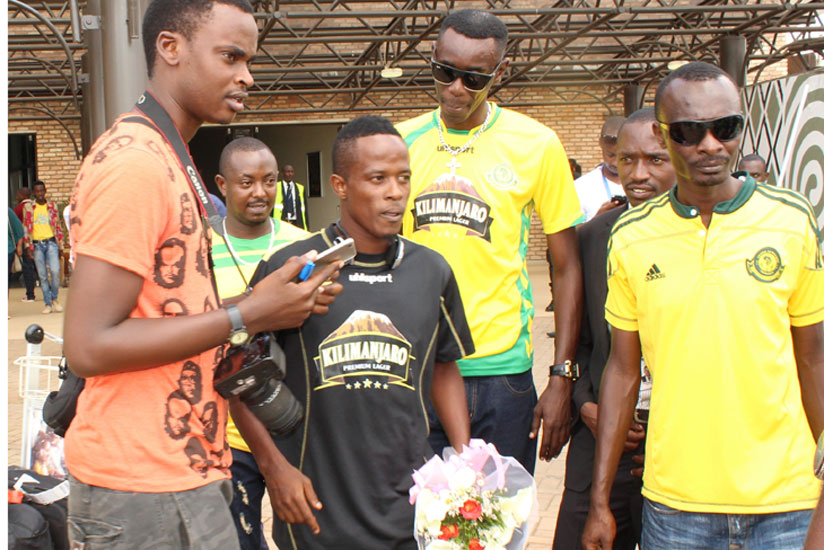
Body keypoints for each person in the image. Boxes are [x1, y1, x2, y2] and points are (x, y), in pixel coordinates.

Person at [62, 1, 342, 548]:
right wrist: (249, 310)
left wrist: (263, 301)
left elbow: (169, 308)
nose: (247, 76)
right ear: (171, 48)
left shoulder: (169, 155)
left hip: (186, 468)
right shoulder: (134, 162)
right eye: (231, 57)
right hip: (140, 485)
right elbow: (88, 345)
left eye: (249, 60)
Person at [582, 62, 824, 550]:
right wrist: (600, 500)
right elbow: (623, 372)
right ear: (662, 132)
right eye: (690, 132)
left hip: (786, 501)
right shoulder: (631, 237)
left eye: (726, 128)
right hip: (676, 507)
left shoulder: (791, 221)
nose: (711, 145)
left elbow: (813, 356)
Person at [239, 115, 473, 550]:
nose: (395, 192)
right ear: (340, 185)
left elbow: (444, 367)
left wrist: (464, 458)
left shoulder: (431, 271)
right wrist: (275, 469)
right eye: (378, 178)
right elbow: (239, 381)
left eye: (403, 178)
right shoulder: (294, 271)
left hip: (412, 510)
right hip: (316, 513)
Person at [398, 8, 583, 473]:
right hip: (418, 367)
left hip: (502, 374)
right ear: (433, 58)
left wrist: (561, 376)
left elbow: (566, 267)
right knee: (420, 525)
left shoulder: (537, 144)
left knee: (497, 525)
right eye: (445, 73)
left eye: (474, 78)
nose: (456, 89)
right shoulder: (401, 142)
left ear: (501, 73)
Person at [553, 108, 675, 550]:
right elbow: (582, 340)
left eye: (655, 159)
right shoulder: (593, 238)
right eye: (626, 161)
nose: (638, 175)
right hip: (604, 438)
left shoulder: (705, 237)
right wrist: (586, 403)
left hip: (675, 444)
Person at [209, 136, 310, 550]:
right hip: (225, 440)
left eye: (268, 181)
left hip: (294, 429)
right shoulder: (198, 249)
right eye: (246, 182)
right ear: (222, 185)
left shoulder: (304, 244)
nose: (259, 192)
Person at [22, 180, 64, 313]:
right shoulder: (28, 208)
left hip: (51, 242)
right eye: (37, 191)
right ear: (34, 193)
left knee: (55, 271)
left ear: (45, 191)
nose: (40, 193)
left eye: (42, 191)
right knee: (43, 276)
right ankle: (48, 303)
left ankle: (55, 298)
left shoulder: (52, 206)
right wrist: (28, 246)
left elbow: (58, 226)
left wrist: (61, 245)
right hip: (37, 245)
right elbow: (26, 227)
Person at [574, 117, 627, 221]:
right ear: (601, 145)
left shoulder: (642, 182)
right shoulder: (581, 187)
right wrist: (598, 220)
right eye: (610, 155)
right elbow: (574, 235)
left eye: (622, 156)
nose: (615, 163)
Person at [13, 187, 38, 302]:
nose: (16, 196)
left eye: (18, 194)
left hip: (25, 241)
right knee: (36, 267)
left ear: (23, 195)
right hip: (37, 240)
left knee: (27, 267)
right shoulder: (35, 206)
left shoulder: (18, 209)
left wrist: (18, 245)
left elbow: (17, 228)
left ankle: (30, 294)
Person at [273, 164, 308, 229]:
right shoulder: (275, 187)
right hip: (281, 222)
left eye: (291, 172)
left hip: (296, 222)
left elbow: (305, 211)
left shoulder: (300, 188)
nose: (290, 174)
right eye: (287, 172)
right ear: (282, 173)